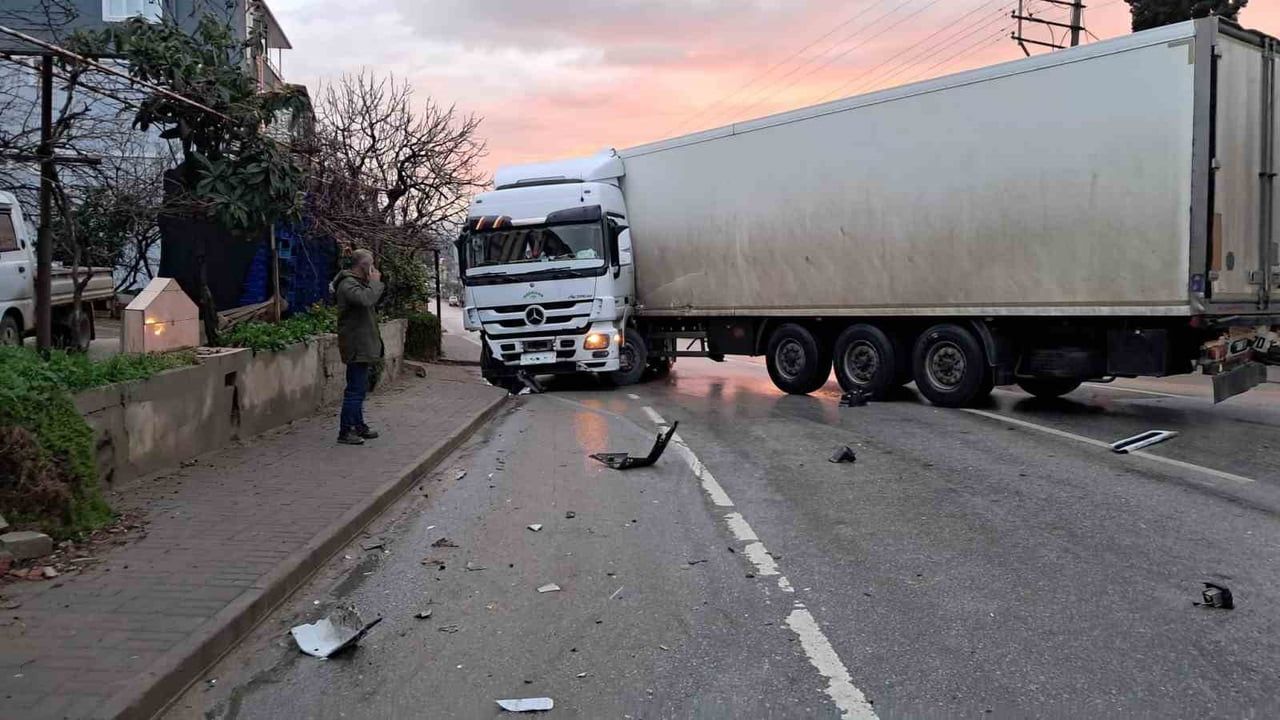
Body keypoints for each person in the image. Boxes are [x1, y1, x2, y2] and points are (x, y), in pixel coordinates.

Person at [332, 249, 385, 445]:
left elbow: (371, 299)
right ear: (363, 266)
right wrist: (375, 282)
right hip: (355, 346)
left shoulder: (358, 284)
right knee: (354, 390)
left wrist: (373, 284)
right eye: (370, 264)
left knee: (360, 389)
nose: (373, 269)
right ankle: (346, 431)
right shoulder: (348, 284)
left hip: (362, 345)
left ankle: (358, 425)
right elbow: (366, 299)